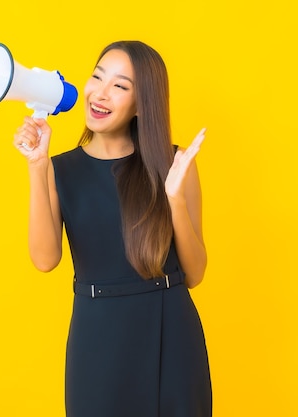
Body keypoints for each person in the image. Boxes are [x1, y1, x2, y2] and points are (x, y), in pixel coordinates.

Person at [13, 40, 212, 417]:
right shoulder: (59, 169)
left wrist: (175, 198)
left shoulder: (174, 163)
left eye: (120, 86)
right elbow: (44, 259)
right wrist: (37, 168)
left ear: (142, 103)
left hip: (170, 333)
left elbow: (196, 273)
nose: (100, 93)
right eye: (97, 77)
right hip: (97, 338)